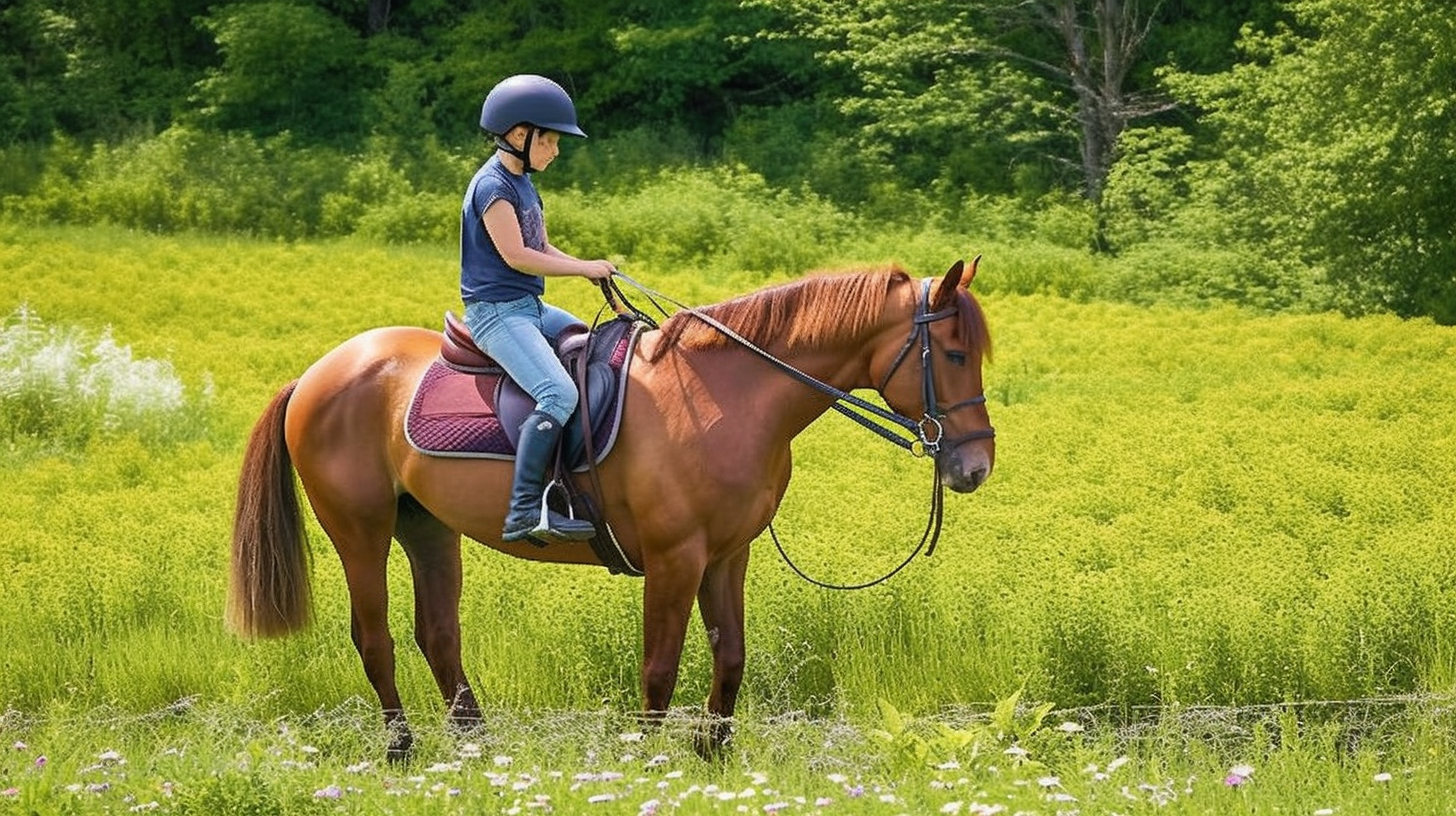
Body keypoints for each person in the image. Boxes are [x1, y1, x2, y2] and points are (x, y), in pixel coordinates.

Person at [461, 74, 614, 545]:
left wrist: (587, 269)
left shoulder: (523, 182)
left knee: (589, 343)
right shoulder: (493, 188)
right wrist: (582, 267)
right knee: (559, 394)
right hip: (498, 314)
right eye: (550, 139)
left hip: (529, 306)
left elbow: (541, 243)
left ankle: (570, 476)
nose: (556, 150)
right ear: (520, 135)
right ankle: (525, 511)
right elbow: (517, 256)